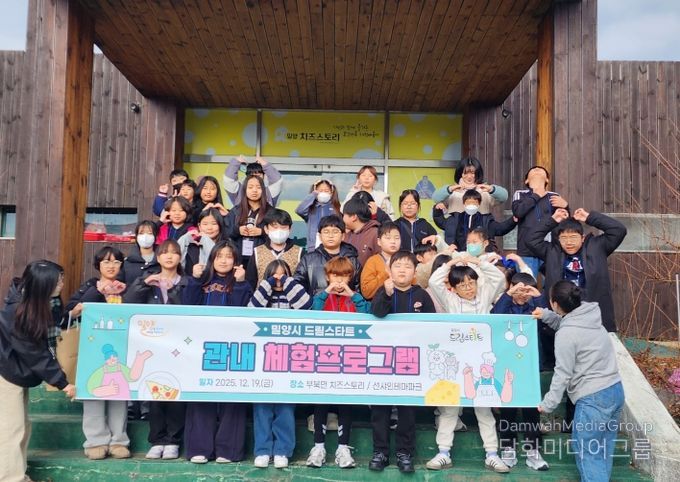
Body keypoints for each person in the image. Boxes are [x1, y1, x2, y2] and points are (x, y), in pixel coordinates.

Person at [426, 253, 510, 473]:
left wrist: (478, 263)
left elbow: (499, 279)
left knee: (484, 410)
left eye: (471, 282)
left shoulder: (485, 295)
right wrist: (452, 263)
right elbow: (434, 281)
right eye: (462, 285)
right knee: (449, 410)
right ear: (454, 288)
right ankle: (443, 452)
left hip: (482, 366)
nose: (468, 288)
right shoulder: (450, 300)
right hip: (455, 365)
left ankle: (492, 454)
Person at [533, 281, 624, 482]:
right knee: (602, 450)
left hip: (593, 398)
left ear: (555, 303)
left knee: (587, 451)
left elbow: (562, 373)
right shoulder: (591, 317)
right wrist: (546, 315)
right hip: (615, 390)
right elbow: (569, 324)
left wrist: (548, 403)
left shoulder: (566, 334)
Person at [0, 260, 75, 482]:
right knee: (11, 428)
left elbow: (48, 335)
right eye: (57, 281)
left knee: (22, 426)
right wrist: (62, 382)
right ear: (43, 284)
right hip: (5, 371)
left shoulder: (43, 301)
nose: (62, 284)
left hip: (17, 370)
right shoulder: (18, 310)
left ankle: (17, 474)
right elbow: (34, 352)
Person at [182, 240, 253, 464]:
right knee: (201, 396)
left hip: (233, 348)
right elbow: (186, 306)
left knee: (232, 398)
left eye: (229, 256)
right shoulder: (202, 281)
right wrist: (194, 280)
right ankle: (199, 448)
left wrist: (240, 284)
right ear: (212, 259)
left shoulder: (242, 283)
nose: (223, 261)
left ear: (236, 261)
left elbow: (244, 312)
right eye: (219, 256)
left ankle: (228, 450)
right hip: (202, 348)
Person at [62, 247, 134, 460]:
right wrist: (98, 292)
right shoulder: (89, 286)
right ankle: (96, 441)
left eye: (116, 262)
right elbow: (71, 310)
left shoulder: (127, 288)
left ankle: (119, 440)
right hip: (92, 350)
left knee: (119, 394)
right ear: (98, 265)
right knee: (93, 393)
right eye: (106, 262)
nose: (111, 266)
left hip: (121, 349)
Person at [370, 251, 435, 473]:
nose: (402, 270)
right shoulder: (383, 290)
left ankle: (404, 453)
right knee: (380, 408)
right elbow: (377, 313)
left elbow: (432, 327)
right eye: (398, 266)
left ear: (414, 272)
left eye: (408, 266)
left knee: (407, 409)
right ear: (389, 270)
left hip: (411, 362)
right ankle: (380, 452)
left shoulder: (422, 295)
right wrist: (387, 294)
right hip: (384, 360)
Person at [124, 240, 189, 460]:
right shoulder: (148, 281)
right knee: (154, 391)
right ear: (157, 257)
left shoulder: (187, 282)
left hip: (179, 346)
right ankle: (157, 439)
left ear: (180, 257)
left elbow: (189, 310)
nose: (169, 256)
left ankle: (173, 440)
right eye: (164, 253)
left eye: (174, 253)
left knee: (175, 392)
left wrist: (173, 292)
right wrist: (143, 283)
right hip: (152, 345)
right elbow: (128, 303)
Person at [307, 256, 370, 470]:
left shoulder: (356, 298)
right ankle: (318, 447)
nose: (340, 280)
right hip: (324, 357)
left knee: (345, 401)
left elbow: (367, 316)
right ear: (327, 277)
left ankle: (343, 448)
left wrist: (353, 295)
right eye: (335, 275)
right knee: (321, 400)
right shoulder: (321, 297)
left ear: (350, 277)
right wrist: (327, 292)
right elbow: (313, 315)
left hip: (350, 357)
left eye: (344, 276)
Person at [248, 259, 311, 469]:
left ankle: (283, 450)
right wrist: (266, 285)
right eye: (273, 275)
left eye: (282, 274)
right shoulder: (262, 293)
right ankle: (262, 450)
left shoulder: (293, 293)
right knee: (262, 407)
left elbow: (306, 305)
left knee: (285, 407)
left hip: (289, 359)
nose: (278, 279)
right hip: (263, 360)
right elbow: (251, 309)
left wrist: (287, 282)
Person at [527, 207, 626, 333]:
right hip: (562, 311)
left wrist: (589, 217)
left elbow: (619, 230)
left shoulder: (597, 247)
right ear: (558, 239)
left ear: (582, 238)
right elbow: (530, 239)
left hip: (592, 311)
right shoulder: (552, 251)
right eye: (564, 238)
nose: (569, 242)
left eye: (573, 237)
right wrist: (553, 220)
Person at [491, 272, 549, 471]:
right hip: (507, 366)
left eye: (526, 290)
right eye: (519, 289)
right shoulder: (505, 306)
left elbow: (549, 318)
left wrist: (538, 296)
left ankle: (533, 451)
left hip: (529, 367)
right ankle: (508, 449)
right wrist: (509, 295)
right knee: (507, 410)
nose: (523, 294)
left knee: (531, 410)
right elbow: (494, 317)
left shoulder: (534, 309)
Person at [511, 166, 568, 276]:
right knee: (527, 282)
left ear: (547, 179)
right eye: (533, 170)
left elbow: (564, 220)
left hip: (549, 248)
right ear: (526, 180)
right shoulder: (520, 194)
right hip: (526, 249)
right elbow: (518, 212)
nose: (537, 169)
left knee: (553, 283)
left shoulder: (554, 196)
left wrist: (566, 206)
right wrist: (536, 195)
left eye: (541, 170)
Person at [294, 215, 361, 296]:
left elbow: (359, 289)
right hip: (315, 303)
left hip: (346, 303)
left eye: (335, 232)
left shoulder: (352, 261)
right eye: (326, 232)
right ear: (320, 236)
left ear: (343, 236)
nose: (330, 236)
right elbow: (297, 285)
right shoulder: (308, 259)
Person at [433, 189, 516, 251]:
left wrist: (513, 220)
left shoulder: (485, 219)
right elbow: (441, 222)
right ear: (464, 203)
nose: (471, 205)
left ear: (479, 204)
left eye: (474, 203)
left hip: (480, 257)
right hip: (458, 256)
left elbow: (500, 229)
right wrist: (437, 210)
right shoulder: (455, 218)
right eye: (468, 202)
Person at [245, 208, 303, 290]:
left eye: (283, 227)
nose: (279, 231)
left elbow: (303, 282)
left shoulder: (299, 252)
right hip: (262, 297)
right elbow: (250, 283)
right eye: (275, 227)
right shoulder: (257, 252)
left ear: (290, 230)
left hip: (291, 297)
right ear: (266, 229)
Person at [432, 157, 508, 214]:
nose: (469, 176)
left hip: (480, 230)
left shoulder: (485, 190)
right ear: (460, 173)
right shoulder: (453, 191)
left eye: (472, 173)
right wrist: (450, 189)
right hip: (457, 230)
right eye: (465, 173)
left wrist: (492, 189)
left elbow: (504, 197)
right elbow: (435, 197)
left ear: (478, 173)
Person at [225, 175, 272, 267]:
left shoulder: (270, 212)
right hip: (238, 258)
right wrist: (237, 230)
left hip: (262, 258)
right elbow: (225, 231)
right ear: (244, 190)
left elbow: (278, 235)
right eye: (250, 187)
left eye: (258, 187)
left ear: (263, 190)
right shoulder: (236, 211)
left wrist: (262, 232)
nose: (254, 190)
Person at [177, 208, 225, 277]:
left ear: (220, 225)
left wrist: (206, 240)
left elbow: (215, 261)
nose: (209, 228)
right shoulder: (191, 247)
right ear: (199, 226)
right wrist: (185, 238)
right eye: (205, 224)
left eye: (214, 224)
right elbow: (179, 266)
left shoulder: (227, 245)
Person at [360, 221, 402, 300]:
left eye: (397, 238)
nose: (393, 241)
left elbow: (415, 284)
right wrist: (385, 273)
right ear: (379, 241)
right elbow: (366, 292)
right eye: (388, 238)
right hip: (380, 304)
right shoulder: (372, 261)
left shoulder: (405, 260)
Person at [295, 179, 341, 250]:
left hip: (332, 245)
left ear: (331, 192)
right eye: (320, 191)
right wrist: (313, 195)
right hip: (314, 246)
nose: (323, 193)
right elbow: (299, 210)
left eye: (326, 191)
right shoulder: (310, 209)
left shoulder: (337, 208)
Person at [342, 197, 381, 267]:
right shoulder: (347, 234)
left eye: (344, 215)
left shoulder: (375, 233)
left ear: (354, 217)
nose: (343, 218)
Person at [122, 220, 160, 286]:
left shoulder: (162, 260)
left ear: (156, 237)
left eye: (150, 233)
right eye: (141, 233)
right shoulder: (127, 262)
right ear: (136, 237)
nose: (145, 236)